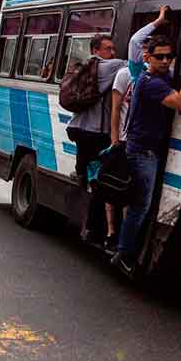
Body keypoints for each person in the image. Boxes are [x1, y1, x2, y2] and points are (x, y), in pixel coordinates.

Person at [111, 36, 181, 273]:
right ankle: (124, 253)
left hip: (148, 150)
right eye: (159, 56)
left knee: (141, 204)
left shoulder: (162, 78)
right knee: (140, 206)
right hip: (142, 152)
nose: (165, 61)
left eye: (169, 57)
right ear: (147, 57)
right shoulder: (150, 82)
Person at [65, 34, 126, 245]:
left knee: (91, 175)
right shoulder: (107, 67)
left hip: (80, 129)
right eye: (108, 49)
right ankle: (92, 228)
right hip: (94, 133)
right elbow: (135, 63)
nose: (113, 53)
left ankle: (81, 174)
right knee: (99, 182)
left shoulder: (89, 68)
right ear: (96, 51)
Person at [111, 6, 170, 146]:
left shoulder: (165, 72)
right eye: (142, 48)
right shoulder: (134, 72)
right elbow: (116, 108)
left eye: (148, 49)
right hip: (129, 138)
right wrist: (114, 139)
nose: (144, 52)